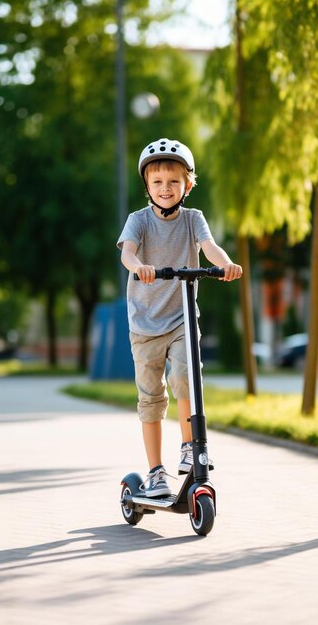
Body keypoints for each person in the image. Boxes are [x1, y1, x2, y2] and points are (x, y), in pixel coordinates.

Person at [117, 138, 242, 497]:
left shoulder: (193, 219)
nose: (166, 188)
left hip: (180, 317)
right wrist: (139, 267)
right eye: (157, 182)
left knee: (187, 375)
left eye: (174, 181)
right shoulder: (137, 221)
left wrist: (225, 264)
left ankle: (190, 447)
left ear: (188, 184)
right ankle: (155, 471)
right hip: (144, 325)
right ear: (147, 187)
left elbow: (209, 246)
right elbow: (127, 253)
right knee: (151, 397)